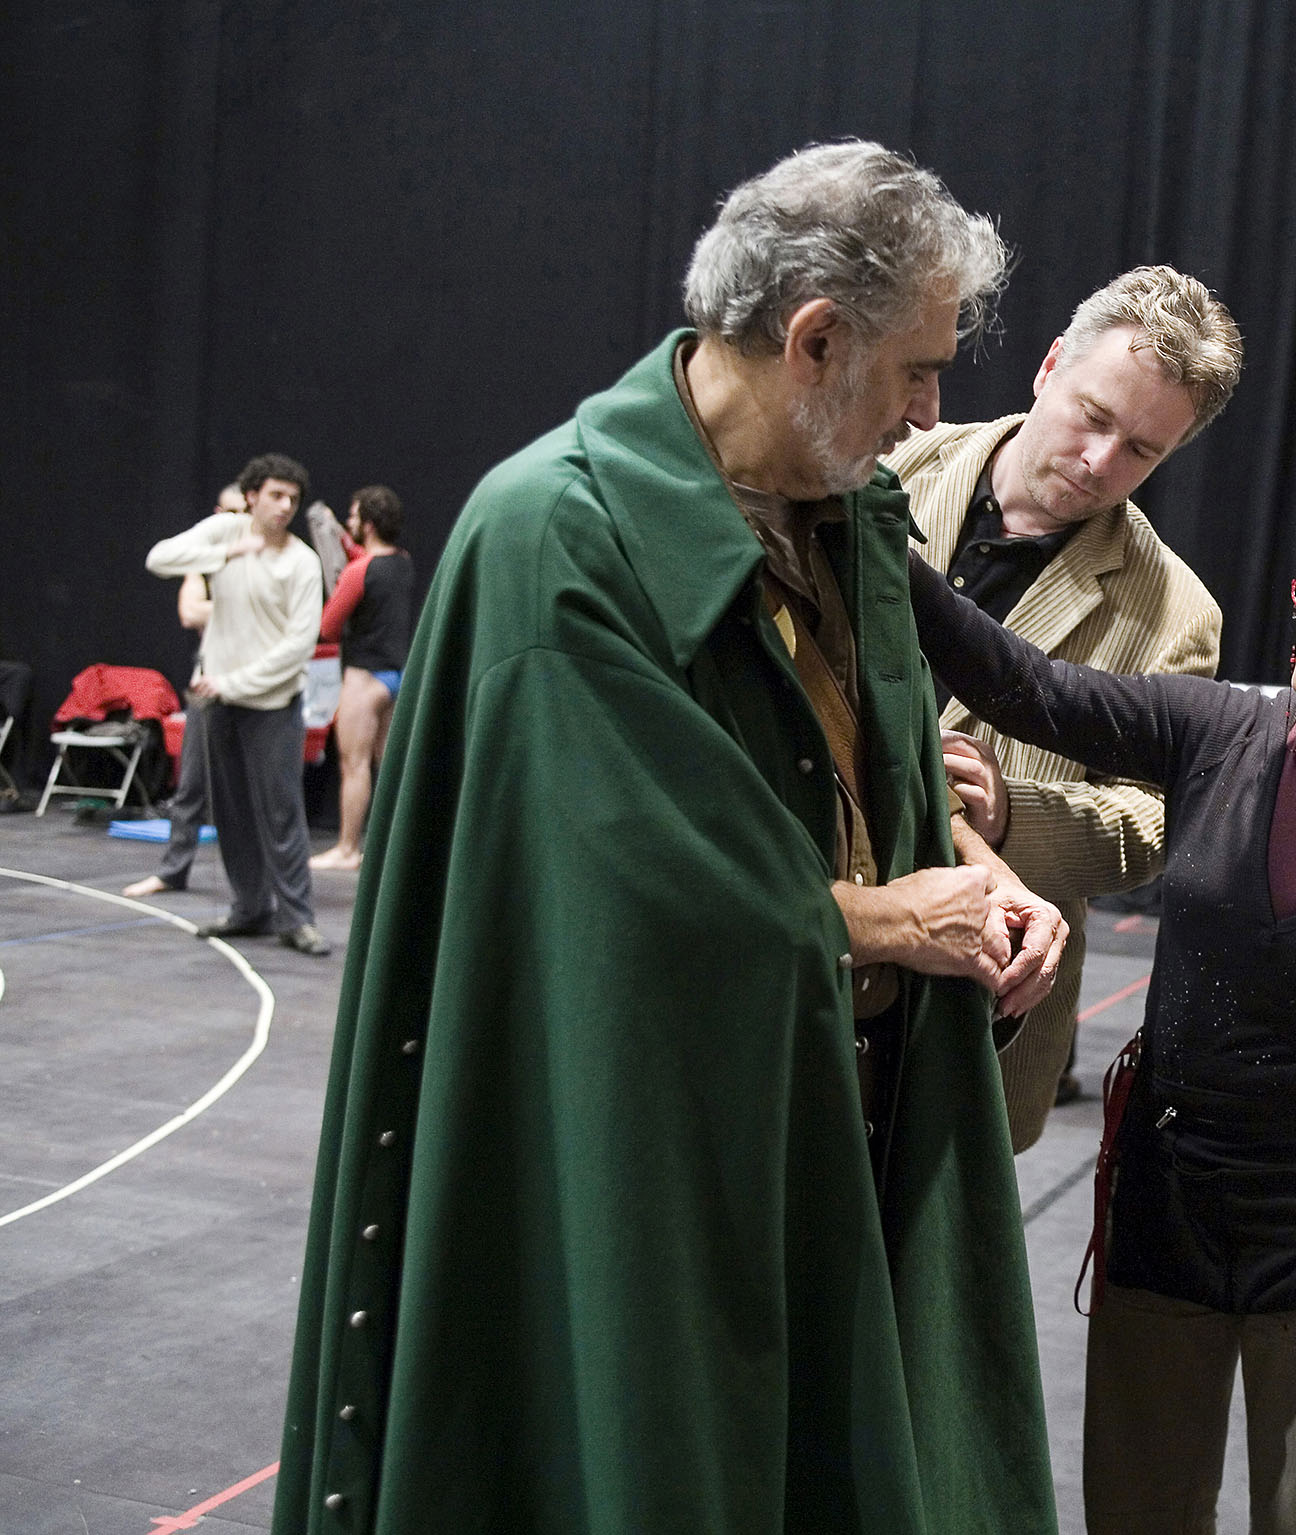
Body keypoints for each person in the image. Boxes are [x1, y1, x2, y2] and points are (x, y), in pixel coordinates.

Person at [271, 142, 1067, 1534]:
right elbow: (611, 881)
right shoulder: (555, 532)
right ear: (814, 340)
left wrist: (973, 866)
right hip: (655, 1140)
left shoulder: (851, 521)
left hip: (854, 1122)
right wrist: (885, 921)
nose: (937, 409)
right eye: (916, 370)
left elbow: (853, 783)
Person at [905, 498, 1296, 1534]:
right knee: (1137, 1514)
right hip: (1165, 1210)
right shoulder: (1223, 729)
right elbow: (1029, 685)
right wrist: (879, 542)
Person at [884, 264, 1239, 1149]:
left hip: (976, 1016)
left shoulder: (1176, 613)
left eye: (1143, 451)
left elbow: (1153, 824)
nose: (1100, 462)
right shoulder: (887, 462)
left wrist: (1016, 816)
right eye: (1095, 416)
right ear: (1049, 367)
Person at [144, 455, 329, 956]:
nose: (285, 506)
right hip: (219, 702)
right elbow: (159, 559)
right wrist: (222, 555)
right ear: (252, 495)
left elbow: (299, 646)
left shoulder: (301, 562)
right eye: (276, 495)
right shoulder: (224, 534)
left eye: (292, 498)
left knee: (282, 813)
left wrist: (233, 681)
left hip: (271, 705)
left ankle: (298, 919)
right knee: (231, 813)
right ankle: (251, 910)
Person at [126, 482, 241, 899]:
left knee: (262, 794)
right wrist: (243, 608)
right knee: (191, 783)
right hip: (210, 678)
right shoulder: (207, 561)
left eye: (243, 512)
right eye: (229, 513)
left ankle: (267, 890)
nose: (237, 522)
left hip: (261, 684)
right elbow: (190, 612)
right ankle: (173, 871)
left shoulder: (271, 555)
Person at [311, 484, 415, 871]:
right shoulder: (402, 561)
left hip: (363, 678)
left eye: (354, 517)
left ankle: (347, 848)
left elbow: (329, 627)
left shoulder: (357, 572)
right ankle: (390, 849)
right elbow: (369, 564)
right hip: (395, 677)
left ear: (368, 524)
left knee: (353, 765)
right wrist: (340, 534)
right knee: (386, 766)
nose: (350, 522)